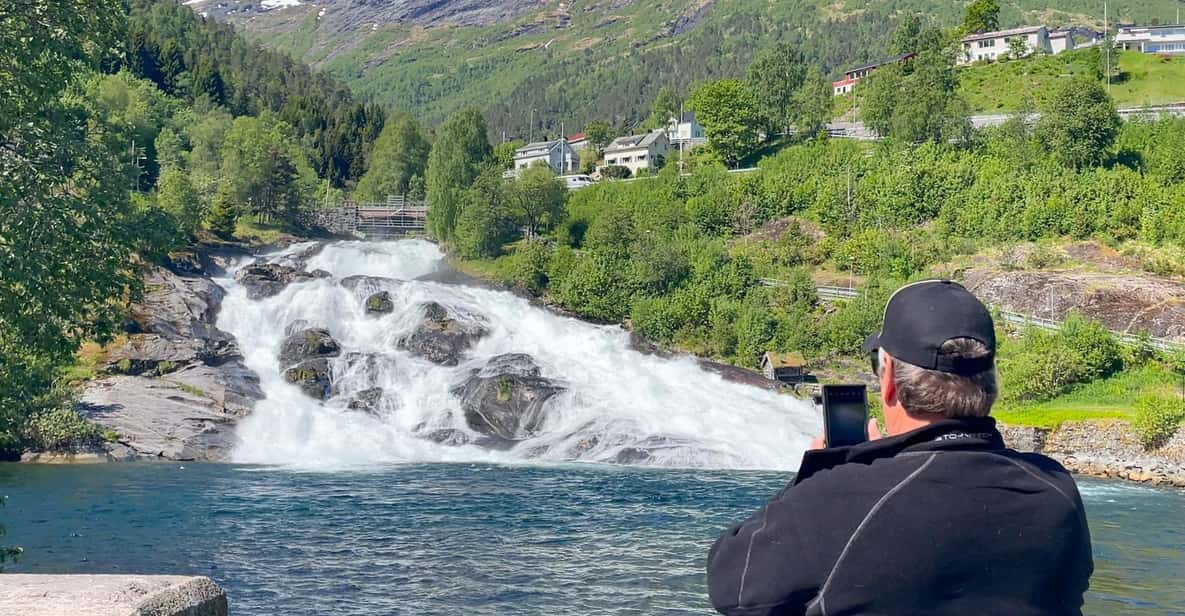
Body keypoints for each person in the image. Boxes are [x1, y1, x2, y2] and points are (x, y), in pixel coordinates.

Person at [706, 280, 1093, 616]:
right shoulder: (1057, 492)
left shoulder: (837, 497)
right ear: (990, 382)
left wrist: (823, 473)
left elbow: (730, 584)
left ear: (888, 377)